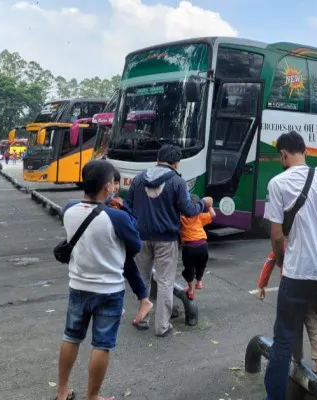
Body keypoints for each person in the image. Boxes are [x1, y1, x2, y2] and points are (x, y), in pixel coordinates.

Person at [262, 131, 317, 399]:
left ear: (283, 155)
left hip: (298, 272)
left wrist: (282, 260)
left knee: (284, 338)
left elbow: (276, 235)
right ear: (305, 151)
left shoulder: (278, 183)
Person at [56, 160, 143, 400]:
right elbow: (135, 246)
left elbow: (77, 204)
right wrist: (121, 208)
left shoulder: (68, 210)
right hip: (109, 291)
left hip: (78, 285)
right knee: (101, 344)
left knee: (71, 337)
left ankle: (62, 391)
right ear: (108, 186)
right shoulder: (117, 218)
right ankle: (92, 397)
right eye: (113, 185)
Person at [124, 144, 212, 337]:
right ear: (176, 162)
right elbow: (188, 210)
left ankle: (143, 319)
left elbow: (128, 206)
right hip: (166, 238)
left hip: (141, 236)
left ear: (158, 158)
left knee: (143, 278)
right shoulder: (176, 181)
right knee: (165, 281)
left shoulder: (139, 179)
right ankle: (162, 326)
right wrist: (203, 204)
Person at [257, 243, 317, 374]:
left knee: (294, 325)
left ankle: (297, 359)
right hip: (311, 285)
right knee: (312, 323)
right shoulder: (310, 243)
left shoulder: (285, 244)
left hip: (292, 286)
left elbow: (270, 262)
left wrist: (261, 285)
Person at [105, 169, 153, 323]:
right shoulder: (111, 202)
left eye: (118, 183)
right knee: (127, 271)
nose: (116, 186)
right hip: (115, 244)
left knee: (126, 271)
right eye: (114, 183)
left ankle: (139, 301)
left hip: (119, 243)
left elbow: (131, 221)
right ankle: (143, 300)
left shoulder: (116, 201)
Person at [179, 194, 215, 299]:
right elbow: (213, 215)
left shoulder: (182, 218)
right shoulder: (200, 216)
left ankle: (191, 290)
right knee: (201, 265)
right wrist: (210, 206)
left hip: (189, 247)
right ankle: (199, 282)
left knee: (189, 269)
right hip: (203, 246)